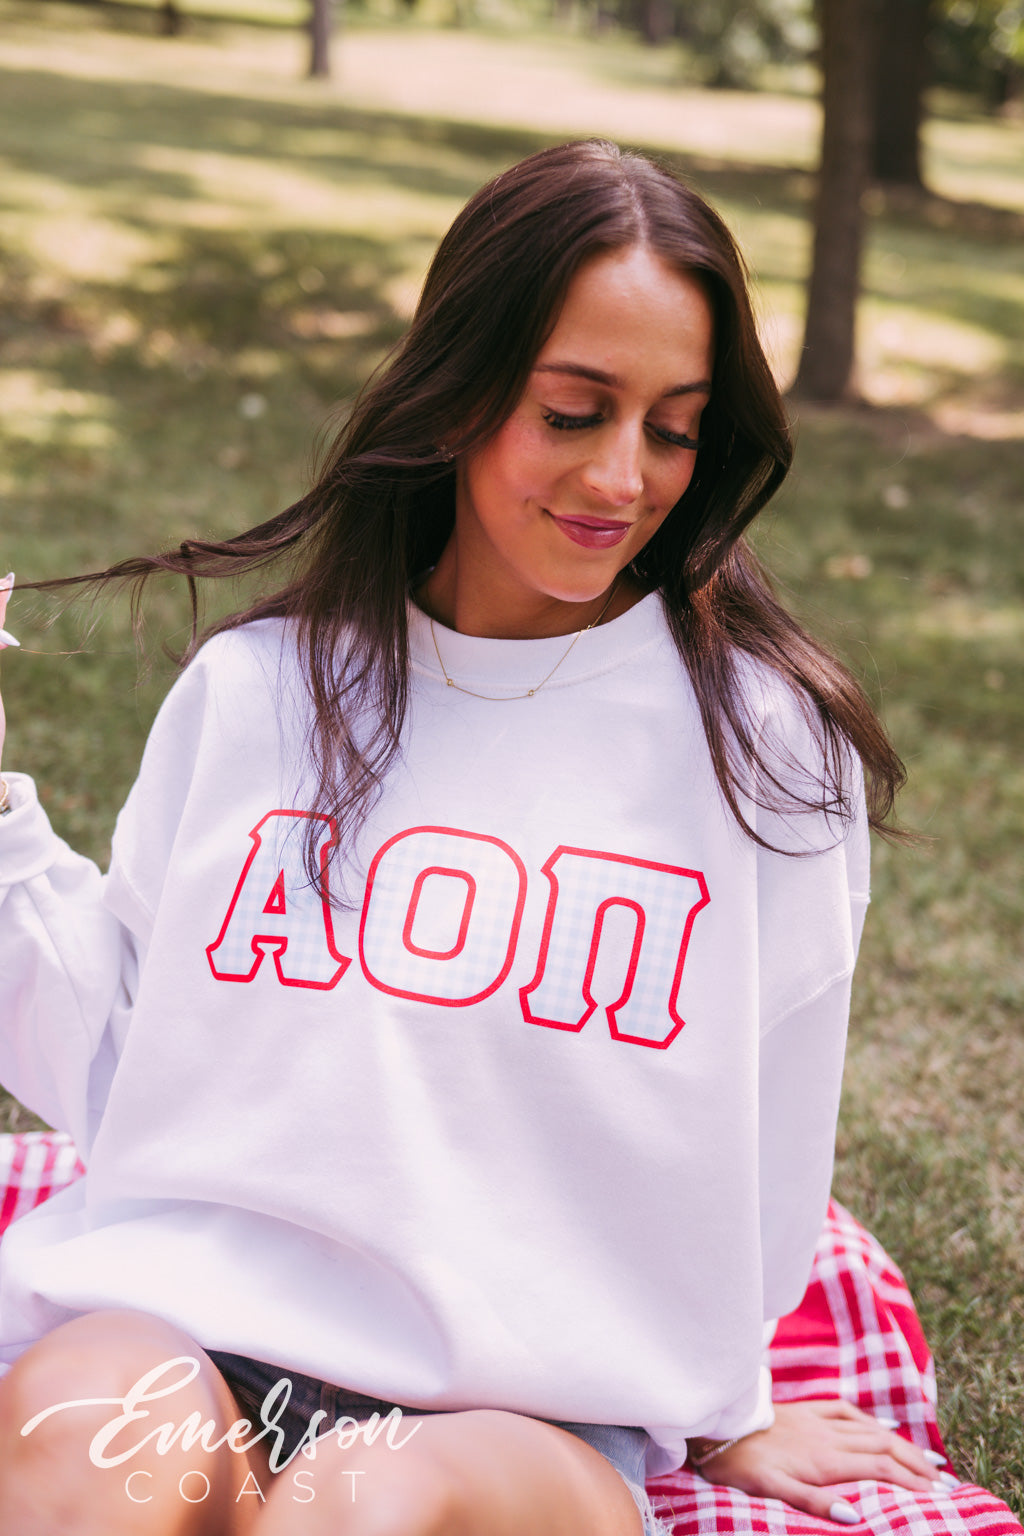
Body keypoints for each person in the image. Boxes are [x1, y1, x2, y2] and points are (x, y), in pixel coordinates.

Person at [0, 139, 949, 1536]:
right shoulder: (259, 694)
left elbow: (767, 1114)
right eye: (573, 412)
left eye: (673, 429)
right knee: (77, 1462)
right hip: (192, 1329)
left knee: (355, 1503)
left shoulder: (760, 750)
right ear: (458, 391)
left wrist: (726, 1403)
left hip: (520, 1415)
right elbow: (133, 1063)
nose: (622, 475)